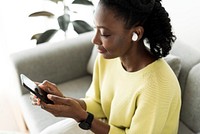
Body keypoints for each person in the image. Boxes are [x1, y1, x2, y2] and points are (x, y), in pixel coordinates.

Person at [31, 0, 181, 133]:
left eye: (105, 34)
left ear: (136, 33)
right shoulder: (107, 58)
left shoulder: (156, 85)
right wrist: (64, 101)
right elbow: (98, 103)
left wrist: (82, 117)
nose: (94, 40)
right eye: (96, 29)